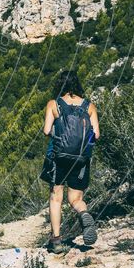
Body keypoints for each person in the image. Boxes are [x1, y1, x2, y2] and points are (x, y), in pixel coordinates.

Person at [40, 70, 100, 253]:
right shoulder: (89, 106)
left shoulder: (54, 104)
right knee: (75, 198)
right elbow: (96, 134)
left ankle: (56, 241)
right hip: (81, 159)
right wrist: (82, 148)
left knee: (56, 198)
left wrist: (60, 137)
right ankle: (84, 213)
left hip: (58, 158)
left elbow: (46, 130)